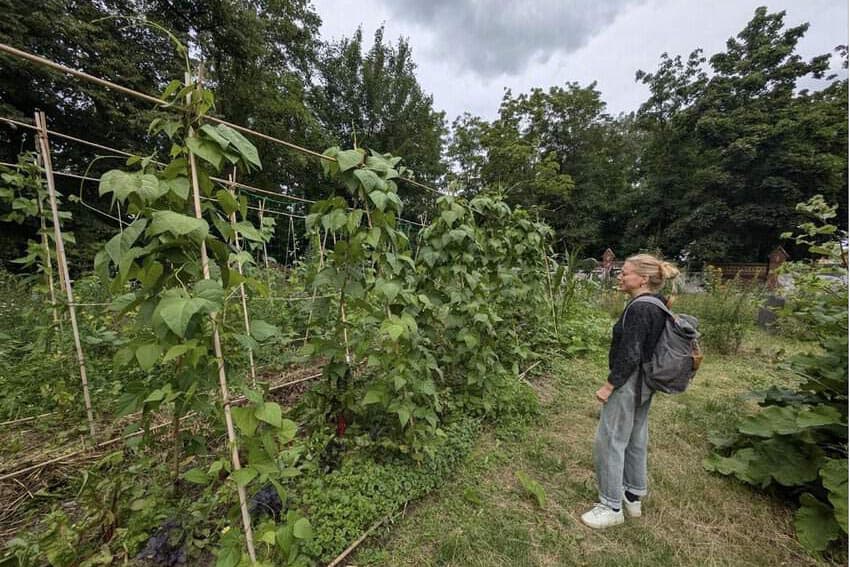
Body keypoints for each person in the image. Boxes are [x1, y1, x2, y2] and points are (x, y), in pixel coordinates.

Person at [580, 253, 680, 529]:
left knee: (610, 440)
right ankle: (632, 494)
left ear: (643, 278)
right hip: (645, 383)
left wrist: (609, 385)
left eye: (625, 272)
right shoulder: (657, 304)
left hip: (630, 382)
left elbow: (630, 353)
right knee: (635, 436)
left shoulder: (639, 308)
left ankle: (610, 505)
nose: (620, 276)